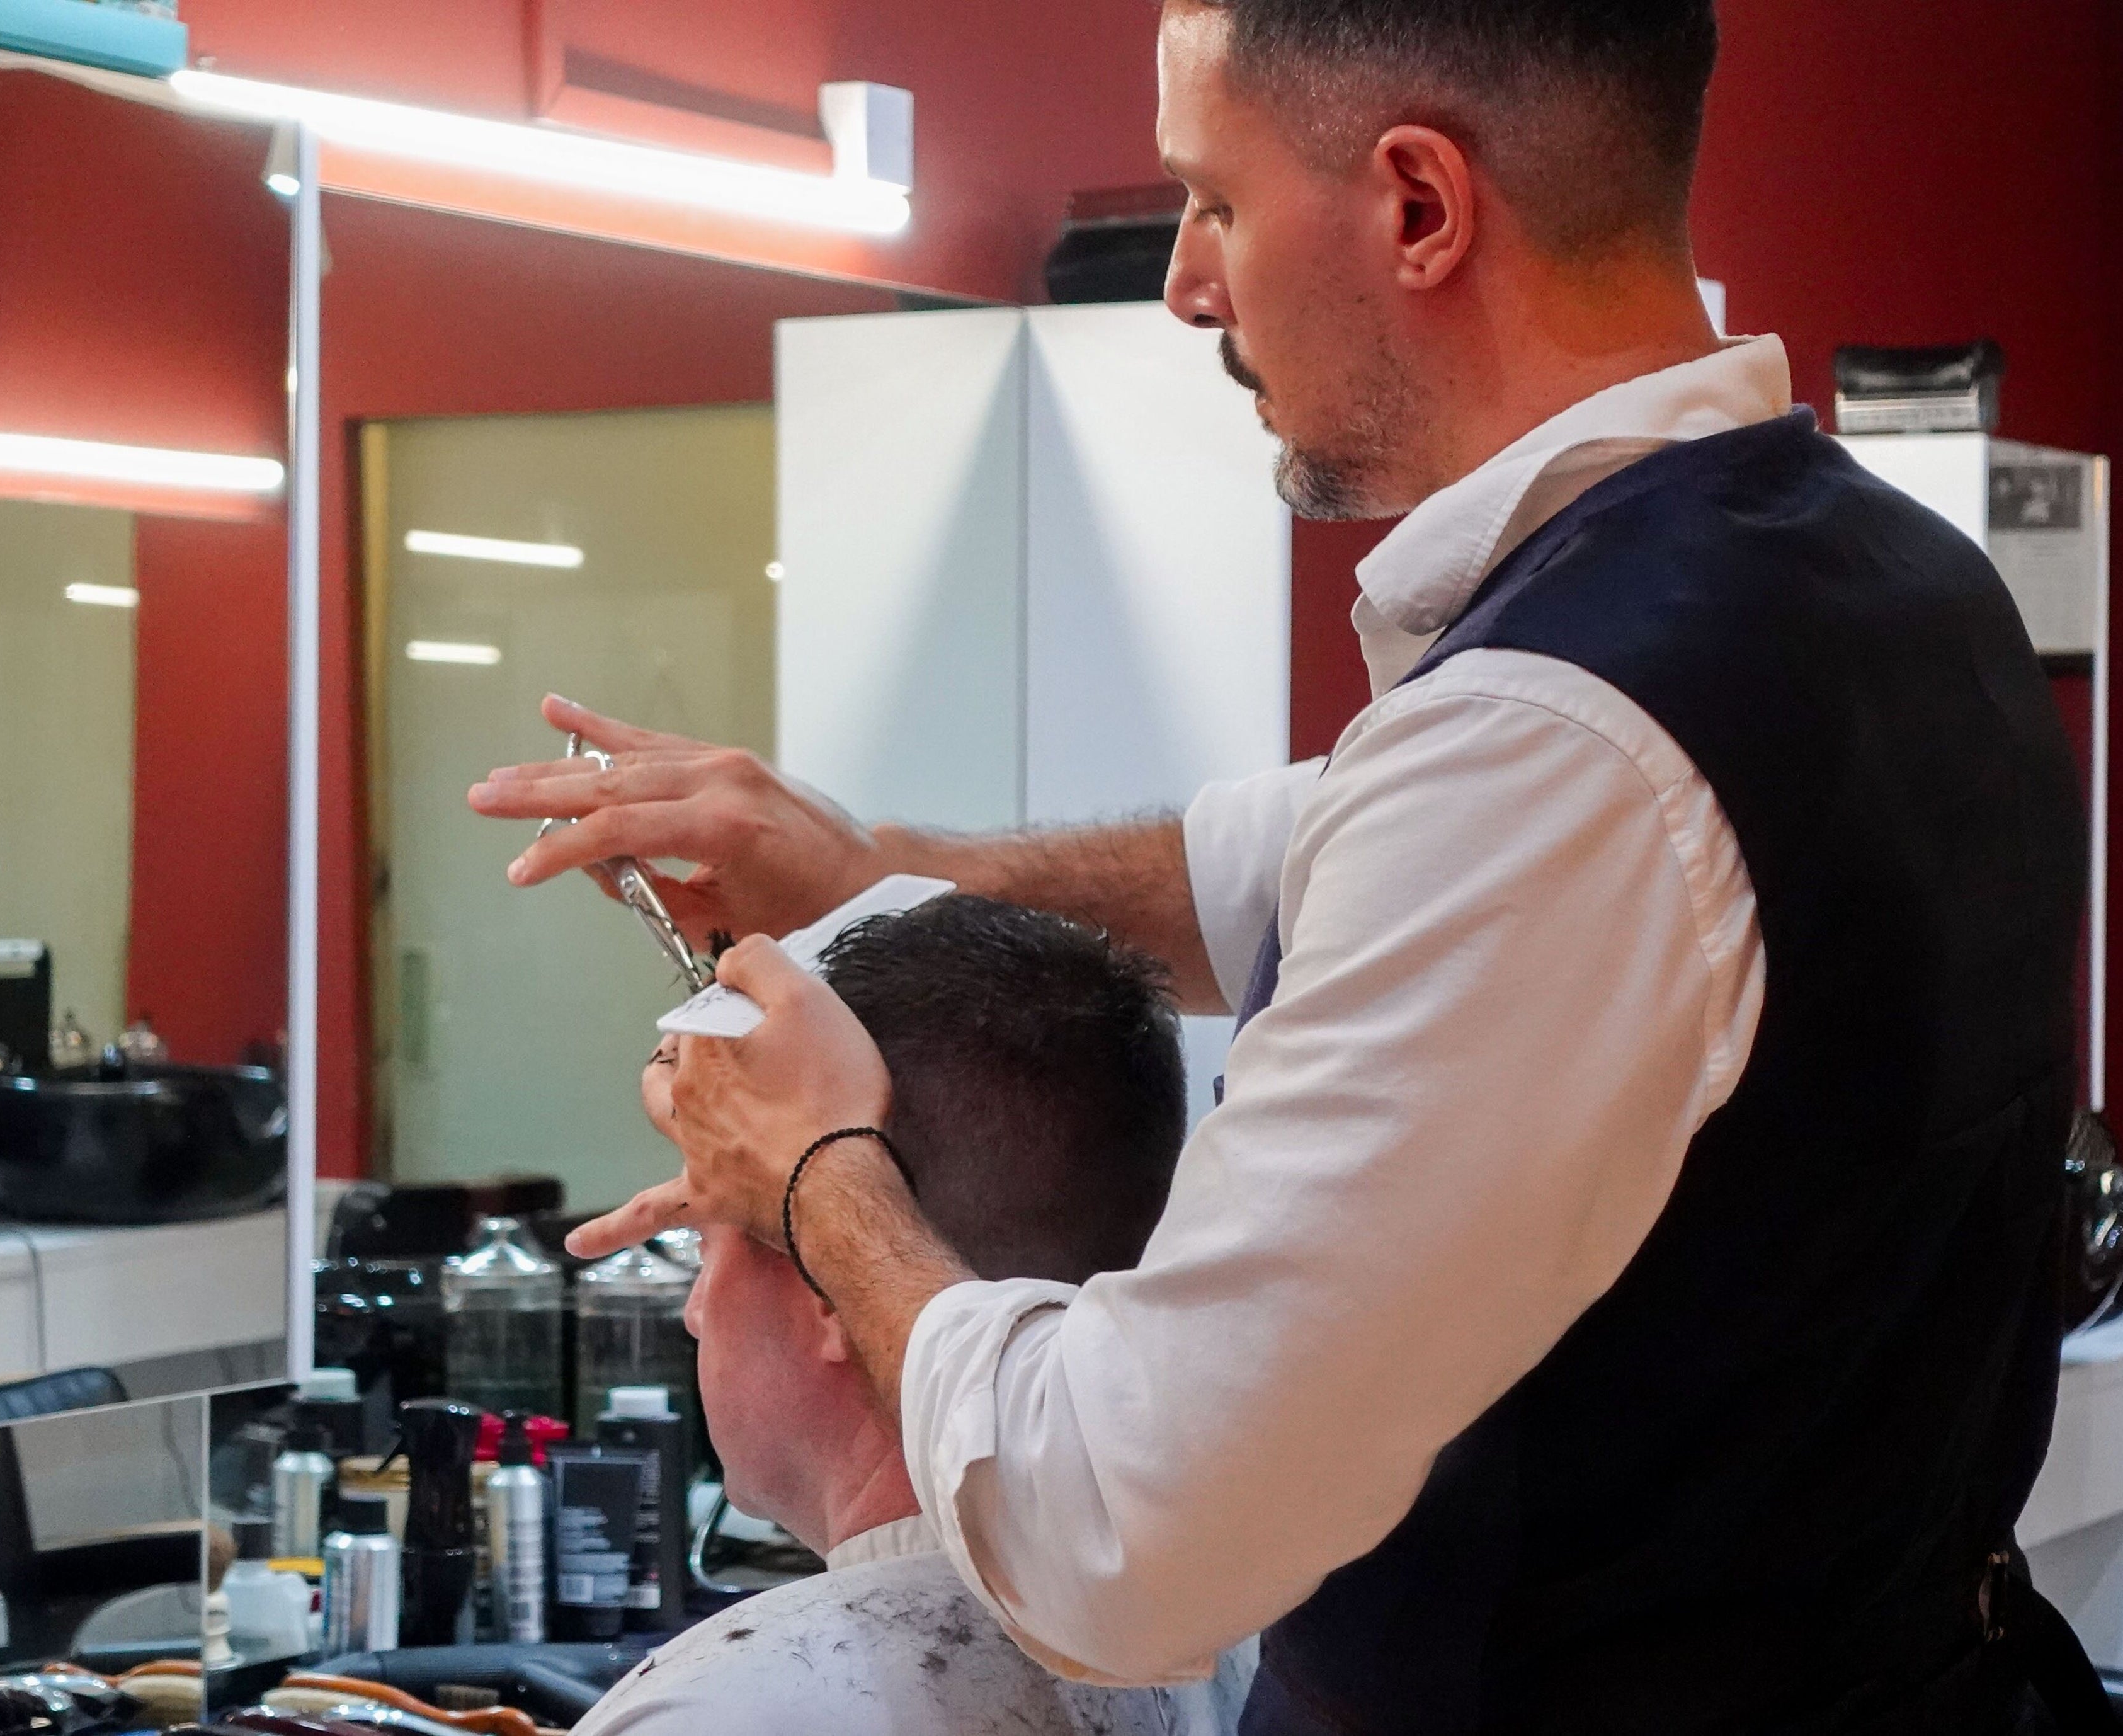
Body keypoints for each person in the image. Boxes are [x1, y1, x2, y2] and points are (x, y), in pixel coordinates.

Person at [471, 1, 2093, 1728]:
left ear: (1418, 206)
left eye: (1214, 201)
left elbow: (1120, 1538)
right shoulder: (1881, 586)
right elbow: (1272, 867)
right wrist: (868, 865)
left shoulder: (1559, 745)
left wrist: (819, 1179)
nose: (1183, 282)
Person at [576, 896, 1253, 1735]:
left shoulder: (716, 1712)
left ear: (832, 1283)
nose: (695, 1312)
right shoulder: (1248, 1656)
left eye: (707, 1247)